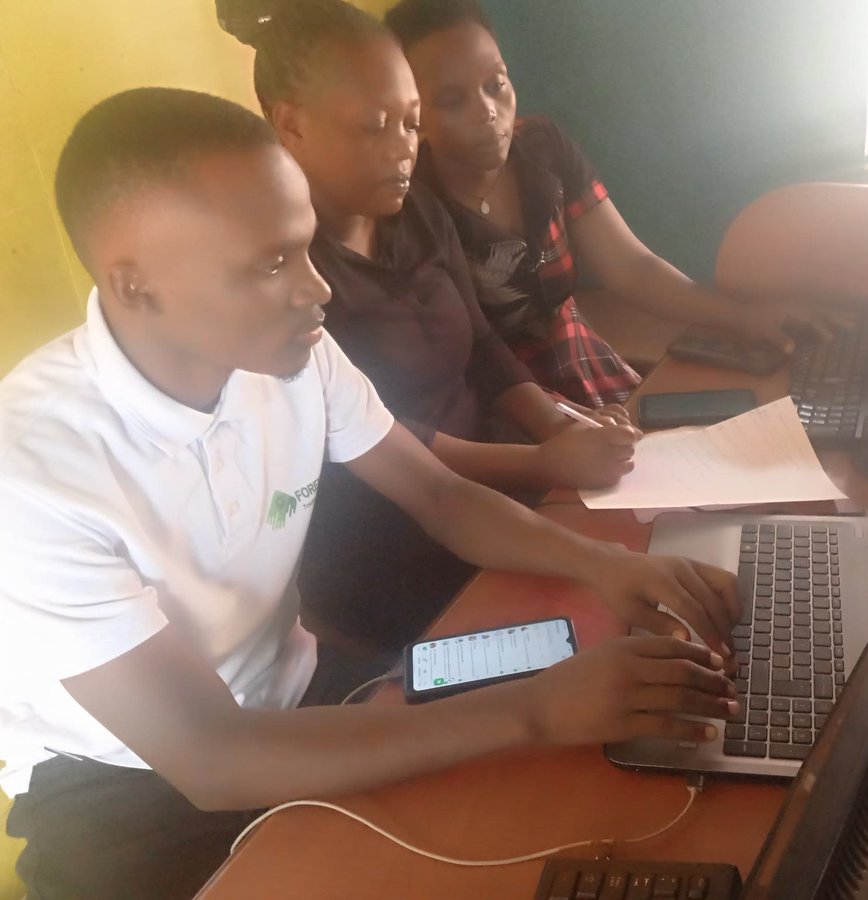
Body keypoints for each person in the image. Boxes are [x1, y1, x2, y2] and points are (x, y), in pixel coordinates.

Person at [0, 87, 741, 900]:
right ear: (137, 287)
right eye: (271, 265)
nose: (316, 288)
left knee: (554, 814)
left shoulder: (290, 354)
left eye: (305, 248)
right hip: (122, 783)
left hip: (296, 693)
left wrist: (607, 565)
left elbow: (440, 496)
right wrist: (532, 710)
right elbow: (211, 759)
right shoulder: (32, 473)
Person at [218, 0, 639, 649]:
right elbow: (393, 444)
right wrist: (540, 462)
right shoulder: (291, 278)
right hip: (393, 542)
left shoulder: (417, 211)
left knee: (639, 558)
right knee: (579, 639)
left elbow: (483, 347)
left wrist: (558, 425)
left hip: (498, 489)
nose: (404, 150)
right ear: (291, 124)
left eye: (412, 124)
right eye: (375, 127)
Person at [385, 0, 799, 409]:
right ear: (413, 112)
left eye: (496, 85)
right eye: (451, 101)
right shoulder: (412, 207)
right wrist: (558, 428)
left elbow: (631, 267)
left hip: (583, 364)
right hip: (503, 404)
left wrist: (743, 317)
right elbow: (468, 357)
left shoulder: (543, 148)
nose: (487, 112)